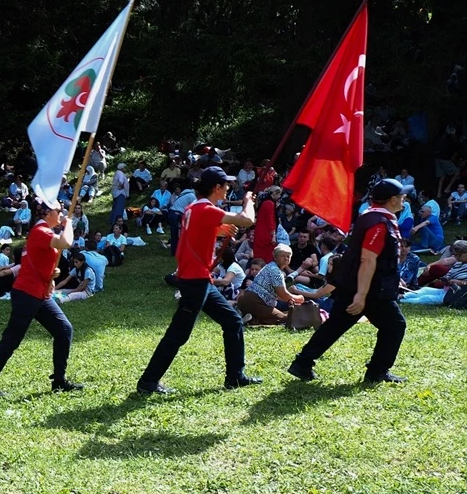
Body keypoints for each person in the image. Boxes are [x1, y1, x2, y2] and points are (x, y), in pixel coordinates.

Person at [137, 167, 259, 395]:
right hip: (195, 281)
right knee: (178, 334)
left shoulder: (193, 207)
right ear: (217, 188)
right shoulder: (205, 209)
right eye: (226, 185)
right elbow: (247, 219)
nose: (229, 188)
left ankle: (235, 376)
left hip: (199, 279)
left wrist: (221, 230)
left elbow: (200, 232)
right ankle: (147, 382)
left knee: (232, 321)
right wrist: (248, 200)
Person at [288, 179, 409, 384]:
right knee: (395, 325)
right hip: (369, 288)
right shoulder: (379, 223)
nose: (404, 199)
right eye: (402, 195)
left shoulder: (371, 216)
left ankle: (303, 363)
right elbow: (367, 259)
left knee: (336, 324)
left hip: (358, 284)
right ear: (392, 199)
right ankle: (377, 372)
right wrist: (361, 295)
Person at [0, 198, 83, 396]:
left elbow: (33, 262)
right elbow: (66, 242)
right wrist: (68, 225)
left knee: (63, 329)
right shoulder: (40, 231)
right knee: (11, 340)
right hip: (26, 294)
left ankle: (59, 381)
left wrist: (51, 274)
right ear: (46, 214)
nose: (61, 215)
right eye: (58, 212)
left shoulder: (43, 233)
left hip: (40, 294)